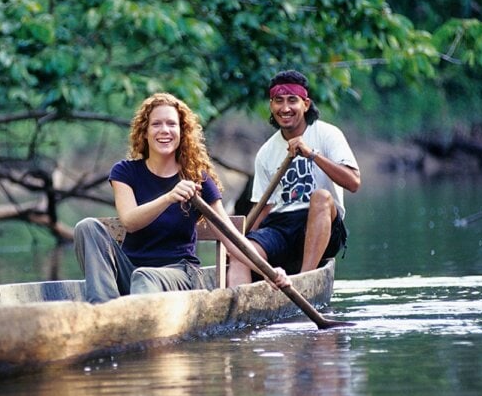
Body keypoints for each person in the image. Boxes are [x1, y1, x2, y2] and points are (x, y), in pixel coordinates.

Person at [74, 92, 290, 303]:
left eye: (171, 124)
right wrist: (169, 197)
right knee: (87, 227)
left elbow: (231, 238)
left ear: (182, 131)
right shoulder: (125, 172)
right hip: (131, 272)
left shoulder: (198, 179)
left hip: (180, 274)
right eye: (156, 124)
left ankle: (131, 315)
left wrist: (268, 271)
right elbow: (130, 221)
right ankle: (104, 309)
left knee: (145, 277)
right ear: (145, 132)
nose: (164, 130)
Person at [228, 70, 361, 284]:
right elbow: (264, 207)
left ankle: (303, 281)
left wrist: (312, 155)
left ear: (305, 104)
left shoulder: (327, 134)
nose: (285, 108)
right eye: (278, 101)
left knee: (321, 197)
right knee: (239, 253)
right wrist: (241, 244)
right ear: (271, 105)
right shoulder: (266, 152)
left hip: (322, 223)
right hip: (281, 226)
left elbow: (353, 183)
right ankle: (240, 301)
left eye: (292, 100)